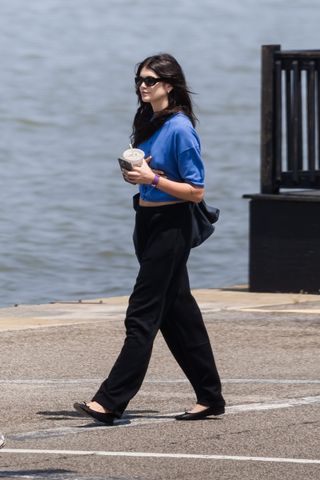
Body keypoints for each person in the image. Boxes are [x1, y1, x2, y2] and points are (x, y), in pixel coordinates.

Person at [74, 53, 225, 424]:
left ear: (169, 86)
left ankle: (110, 401)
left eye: (151, 80)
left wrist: (152, 180)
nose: (142, 86)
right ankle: (210, 396)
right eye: (140, 80)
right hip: (148, 221)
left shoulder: (180, 129)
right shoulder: (149, 121)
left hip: (172, 227)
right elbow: (152, 174)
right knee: (179, 315)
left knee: (141, 316)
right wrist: (137, 177)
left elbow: (196, 191)